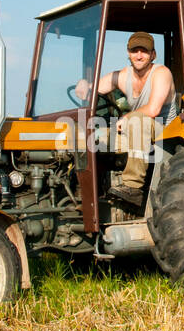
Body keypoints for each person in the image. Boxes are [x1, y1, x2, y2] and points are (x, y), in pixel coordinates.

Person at [74, 31, 178, 208]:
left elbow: (153, 109)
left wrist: (127, 118)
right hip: (136, 129)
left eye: (144, 51)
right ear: (128, 53)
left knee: (137, 121)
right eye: (134, 50)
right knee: (91, 135)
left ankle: (133, 187)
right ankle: (85, 190)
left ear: (153, 54)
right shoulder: (123, 76)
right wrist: (86, 85)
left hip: (165, 133)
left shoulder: (161, 73)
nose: (139, 56)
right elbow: (95, 87)